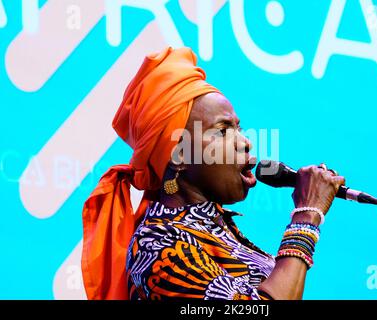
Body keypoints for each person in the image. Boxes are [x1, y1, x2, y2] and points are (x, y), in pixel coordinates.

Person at [81, 47, 345, 300]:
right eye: (222, 131)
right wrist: (306, 217)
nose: (245, 142)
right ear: (180, 155)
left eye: (238, 128)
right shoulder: (159, 245)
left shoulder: (214, 230)